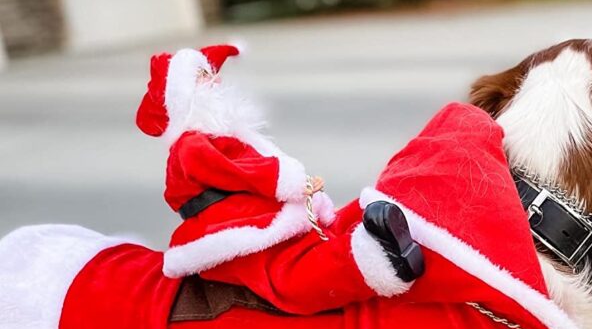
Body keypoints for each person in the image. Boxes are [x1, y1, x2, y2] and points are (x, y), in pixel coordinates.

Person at [135, 43, 424, 314]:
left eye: (211, 75)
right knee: (288, 274)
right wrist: (285, 181)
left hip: (256, 212)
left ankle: (375, 224)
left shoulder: (222, 136)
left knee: (320, 229)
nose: (215, 83)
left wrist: (298, 187)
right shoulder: (191, 145)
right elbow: (234, 171)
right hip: (230, 226)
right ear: (182, 98)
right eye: (202, 78)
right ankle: (372, 262)